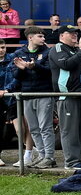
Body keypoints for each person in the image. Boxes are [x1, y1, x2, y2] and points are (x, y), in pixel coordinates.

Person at [9, 27, 55, 168]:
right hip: (28, 95)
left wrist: (34, 66)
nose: (43, 39)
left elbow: (50, 72)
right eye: (40, 36)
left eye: (43, 36)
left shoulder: (48, 52)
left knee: (45, 127)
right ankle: (41, 155)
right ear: (30, 37)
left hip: (44, 93)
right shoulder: (19, 53)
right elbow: (15, 76)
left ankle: (49, 157)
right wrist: (21, 69)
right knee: (34, 128)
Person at [50, 26, 81, 170]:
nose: (75, 35)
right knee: (70, 131)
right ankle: (72, 162)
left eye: (76, 33)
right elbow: (66, 64)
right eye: (71, 33)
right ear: (62, 35)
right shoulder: (58, 48)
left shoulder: (76, 51)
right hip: (67, 96)